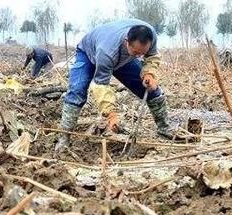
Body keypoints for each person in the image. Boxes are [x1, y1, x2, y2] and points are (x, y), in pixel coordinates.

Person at [55, 19, 182, 153]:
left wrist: (149, 73)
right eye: (136, 53)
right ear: (126, 41)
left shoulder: (150, 34)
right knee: (77, 91)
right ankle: (63, 138)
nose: (139, 56)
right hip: (88, 54)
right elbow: (100, 86)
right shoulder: (107, 52)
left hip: (122, 59)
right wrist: (110, 114)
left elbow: (152, 56)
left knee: (151, 89)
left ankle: (164, 128)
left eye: (142, 53)